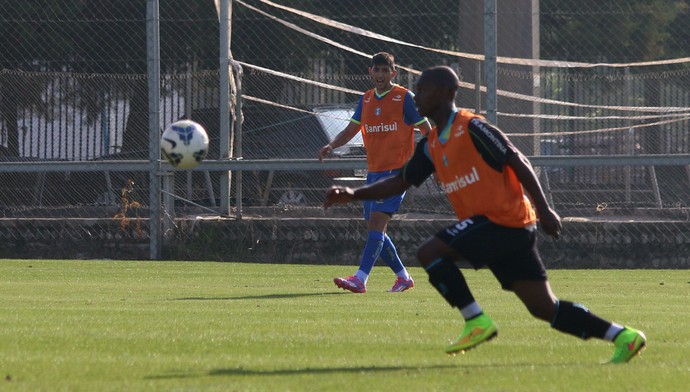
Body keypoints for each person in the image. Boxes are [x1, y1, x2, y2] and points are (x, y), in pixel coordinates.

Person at [323, 65, 646, 363]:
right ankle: (623, 336)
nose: (417, 95)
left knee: (430, 252)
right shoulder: (431, 144)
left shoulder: (472, 126)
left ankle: (475, 319)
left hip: (506, 221)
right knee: (545, 309)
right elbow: (400, 181)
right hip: (500, 228)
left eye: (423, 89)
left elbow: (518, 161)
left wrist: (545, 209)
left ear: (446, 93)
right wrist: (353, 194)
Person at [318, 52, 432, 293]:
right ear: (370, 72)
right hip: (373, 173)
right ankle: (404, 277)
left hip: (396, 174)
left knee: (377, 224)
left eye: (385, 70)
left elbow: (426, 128)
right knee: (374, 227)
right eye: (376, 70)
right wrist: (332, 145)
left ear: (393, 73)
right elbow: (350, 131)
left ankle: (360, 279)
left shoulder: (404, 97)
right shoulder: (367, 99)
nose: (380, 75)